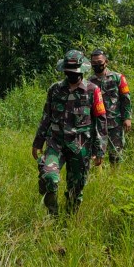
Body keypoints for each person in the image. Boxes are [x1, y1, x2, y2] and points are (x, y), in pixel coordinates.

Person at [32, 50, 108, 215]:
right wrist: (38, 142)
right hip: (55, 143)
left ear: (82, 70)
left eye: (74, 71)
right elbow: (46, 117)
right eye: (68, 71)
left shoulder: (93, 90)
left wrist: (100, 149)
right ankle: (53, 215)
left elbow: (101, 120)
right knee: (49, 178)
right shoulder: (55, 89)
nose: (71, 74)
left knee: (76, 189)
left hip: (80, 145)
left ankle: (69, 218)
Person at [88, 49, 132, 164]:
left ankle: (114, 176)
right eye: (94, 62)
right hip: (96, 123)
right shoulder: (89, 82)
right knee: (96, 153)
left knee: (116, 154)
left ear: (106, 62)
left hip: (115, 122)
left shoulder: (118, 78)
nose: (97, 65)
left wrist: (127, 117)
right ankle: (98, 177)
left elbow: (126, 99)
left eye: (99, 62)